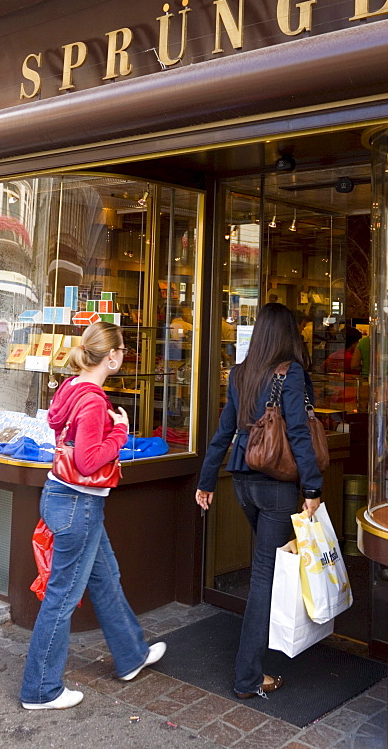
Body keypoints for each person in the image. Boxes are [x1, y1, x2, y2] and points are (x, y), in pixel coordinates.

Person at [20, 322, 166, 710]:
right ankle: (40, 690)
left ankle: (131, 654)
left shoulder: (70, 388)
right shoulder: (93, 400)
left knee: (105, 578)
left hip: (65, 498)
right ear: (113, 356)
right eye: (122, 351)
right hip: (77, 503)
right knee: (62, 598)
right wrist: (120, 431)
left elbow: (57, 428)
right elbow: (87, 461)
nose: (124, 356)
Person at [195, 302, 323, 700]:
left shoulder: (240, 372)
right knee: (265, 576)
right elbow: (299, 434)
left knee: (268, 567)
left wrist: (207, 479)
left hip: (241, 482)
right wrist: (313, 488)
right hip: (276, 486)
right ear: (289, 334)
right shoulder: (290, 373)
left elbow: (224, 430)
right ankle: (248, 677)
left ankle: (269, 647)